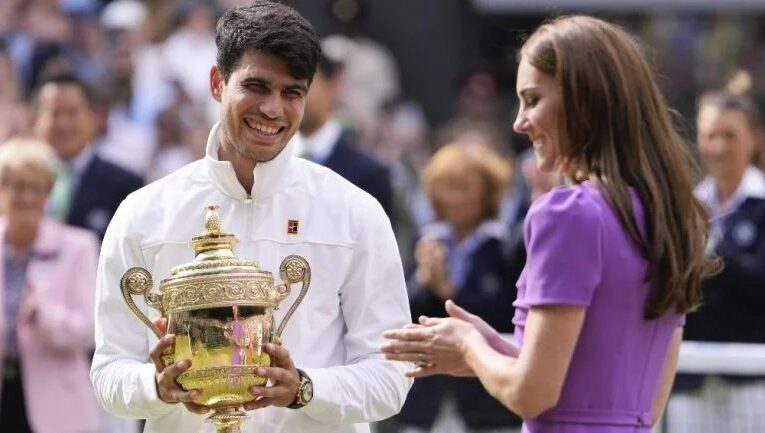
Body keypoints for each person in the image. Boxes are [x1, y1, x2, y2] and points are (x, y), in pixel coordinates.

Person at [381, 15, 717, 433]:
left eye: (533, 99)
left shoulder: (567, 213)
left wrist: (468, 346)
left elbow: (533, 395)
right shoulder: (669, 213)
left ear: (584, 100)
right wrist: (495, 350)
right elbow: (636, 399)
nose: (520, 122)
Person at [90, 2, 412, 433]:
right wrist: (158, 387)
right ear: (216, 82)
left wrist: (305, 388)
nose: (273, 109)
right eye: (256, 86)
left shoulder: (354, 212)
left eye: (292, 92)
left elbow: (392, 375)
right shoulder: (145, 213)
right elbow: (109, 371)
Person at [398, 142, 522, 433]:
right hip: (428, 402)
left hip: (489, 402)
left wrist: (451, 294)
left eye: (464, 187)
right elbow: (405, 312)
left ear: (487, 191)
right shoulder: (427, 241)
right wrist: (426, 282)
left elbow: (509, 316)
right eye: (446, 187)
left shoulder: (506, 247)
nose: (454, 198)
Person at [668, 88, 765, 433]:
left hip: (752, 380)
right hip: (690, 378)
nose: (719, 147)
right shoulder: (687, 207)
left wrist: (710, 251)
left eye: (730, 135)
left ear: (753, 139)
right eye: (710, 135)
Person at [0, 138, 101, 433]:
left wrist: (44, 317)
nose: (26, 198)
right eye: (17, 186)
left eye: (37, 188)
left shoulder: (77, 246)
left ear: (49, 193)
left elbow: (90, 330)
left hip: (56, 406)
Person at [32, 72, 144, 240]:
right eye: (54, 113)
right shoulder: (18, 183)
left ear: (92, 117)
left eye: (72, 113)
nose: (63, 124)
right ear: (36, 119)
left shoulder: (125, 186)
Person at [294, 40, 394, 220]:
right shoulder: (268, 162)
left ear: (333, 84)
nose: (295, 94)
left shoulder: (369, 173)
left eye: (306, 83)